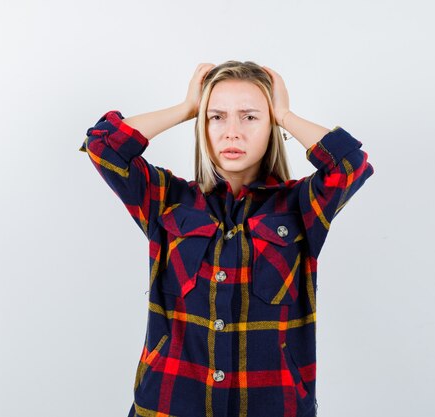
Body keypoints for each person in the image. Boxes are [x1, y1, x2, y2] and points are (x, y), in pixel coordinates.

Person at [79, 61, 374, 417]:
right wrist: (187, 108)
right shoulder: (167, 200)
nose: (232, 132)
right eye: (216, 117)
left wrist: (284, 114)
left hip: (274, 406)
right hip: (168, 406)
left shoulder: (299, 206)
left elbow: (350, 164)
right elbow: (103, 145)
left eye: (250, 117)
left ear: (271, 128)